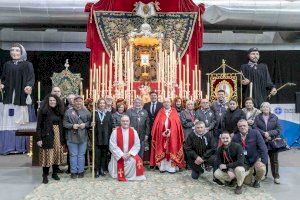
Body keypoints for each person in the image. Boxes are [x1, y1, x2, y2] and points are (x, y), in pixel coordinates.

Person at [0, 43, 35, 131]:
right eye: (12, 50)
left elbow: (31, 78)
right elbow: (4, 79)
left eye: (17, 50)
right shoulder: (7, 64)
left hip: (20, 96)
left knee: (19, 122)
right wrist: (2, 85)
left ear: (22, 52)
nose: (14, 52)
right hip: (9, 95)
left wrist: (29, 86)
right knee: (8, 116)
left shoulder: (27, 65)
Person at [150, 97, 185, 173]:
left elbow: (177, 124)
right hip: (162, 135)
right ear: (163, 104)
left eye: (168, 102)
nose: (166, 103)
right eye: (165, 102)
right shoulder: (160, 112)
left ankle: (171, 168)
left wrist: (171, 131)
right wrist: (161, 132)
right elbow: (157, 124)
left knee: (172, 148)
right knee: (162, 149)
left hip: (173, 136)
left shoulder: (174, 111)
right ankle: (162, 167)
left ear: (170, 103)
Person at [36, 94, 65, 184]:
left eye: (54, 100)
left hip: (58, 135)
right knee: (47, 156)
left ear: (57, 102)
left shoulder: (59, 111)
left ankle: (55, 173)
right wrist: (39, 139)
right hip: (47, 135)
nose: (52, 102)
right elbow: (39, 126)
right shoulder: (43, 111)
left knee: (56, 154)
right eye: (50, 101)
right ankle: (45, 175)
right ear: (47, 102)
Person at [108, 115, 146, 181]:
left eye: (127, 121)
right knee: (120, 160)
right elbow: (112, 145)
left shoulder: (134, 132)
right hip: (118, 155)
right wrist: (121, 154)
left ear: (129, 122)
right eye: (123, 121)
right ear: (120, 122)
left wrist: (130, 153)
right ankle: (119, 174)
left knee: (137, 160)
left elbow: (137, 145)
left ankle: (133, 175)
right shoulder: (115, 132)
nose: (125, 123)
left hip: (130, 154)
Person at [233, 119, 268, 188]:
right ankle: (249, 173)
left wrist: (263, 161)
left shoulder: (255, 133)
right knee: (247, 183)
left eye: (244, 125)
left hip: (255, 158)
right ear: (238, 127)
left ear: (248, 126)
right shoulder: (235, 137)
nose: (242, 127)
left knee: (261, 168)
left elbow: (263, 148)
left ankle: (257, 180)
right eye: (240, 126)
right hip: (244, 161)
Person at [64, 95, 91, 179]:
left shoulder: (86, 111)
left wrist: (85, 124)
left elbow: (90, 122)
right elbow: (64, 123)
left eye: (80, 101)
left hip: (83, 136)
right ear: (74, 102)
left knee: (81, 155)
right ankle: (73, 172)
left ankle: (81, 171)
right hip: (72, 136)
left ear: (82, 102)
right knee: (73, 155)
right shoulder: (68, 111)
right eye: (77, 101)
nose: (78, 103)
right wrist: (72, 125)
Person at [254, 102, 281, 184]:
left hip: (272, 141)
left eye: (267, 107)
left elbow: (278, 129)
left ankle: (276, 176)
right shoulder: (257, 117)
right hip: (262, 141)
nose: (265, 108)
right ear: (261, 109)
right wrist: (264, 134)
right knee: (263, 159)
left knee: (274, 160)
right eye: (264, 107)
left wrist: (269, 134)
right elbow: (255, 127)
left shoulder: (274, 117)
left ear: (269, 108)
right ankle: (264, 174)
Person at [93, 98, 113, 178]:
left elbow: (111, 124)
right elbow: (90, 125)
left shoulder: (108, 113)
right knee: (97, 154)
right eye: (100, 103)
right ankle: (97, 170)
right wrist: (92, 124)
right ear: (98, 104)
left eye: (103, 103)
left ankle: (102, 169)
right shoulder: (94, 113)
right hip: (97, 137)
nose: (102, 105)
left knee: (104, 154)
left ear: (105, 105)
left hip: (105, 137)